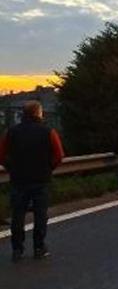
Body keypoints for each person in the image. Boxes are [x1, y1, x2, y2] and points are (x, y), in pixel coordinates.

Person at [0, 101, 64, 262]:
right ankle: (39, 247)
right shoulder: (48, 132)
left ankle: (17, 249)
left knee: (18, 215)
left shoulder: (11, 132)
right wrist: (49, 168)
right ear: (38, 113)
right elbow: (59, 155)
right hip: (41, 179)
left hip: (18, 179)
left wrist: (10, 168)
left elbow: (1, 154)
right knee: (40, 215)